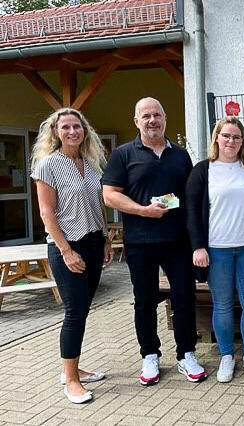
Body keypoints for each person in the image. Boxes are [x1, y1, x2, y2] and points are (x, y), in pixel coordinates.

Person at [102, 97, 207, 386]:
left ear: (165, 118)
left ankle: (186, 353)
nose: (152, 120)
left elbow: (190, 197)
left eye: (157, 115)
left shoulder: (180, 155)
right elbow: (109, 194)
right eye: (146, 115)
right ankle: (149, 354)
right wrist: (143, 210)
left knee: (184, 297)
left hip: (178, 241)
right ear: (136, 121)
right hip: (140, 242)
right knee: (144, 300)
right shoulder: (123, 154)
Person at [31, 108, 113, 404]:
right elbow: (46, 212)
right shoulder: (48, 164)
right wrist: (66, 251)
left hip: (93, 244)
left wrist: (105, 239)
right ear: (55, 132)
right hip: (68, 247)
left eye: (76, 126)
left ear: (84, 130)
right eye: (65, 127)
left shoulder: (90, 165)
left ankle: (73, 367)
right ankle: (70, 379)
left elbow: (99, 205)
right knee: (75, 312)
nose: (72, 132)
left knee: (83, 309)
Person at [185, 117, 244, 383]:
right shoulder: (204, 170)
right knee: (222, 304)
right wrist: (198, 246)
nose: (231, 141)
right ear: (216, 137)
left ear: (242, 141)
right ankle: (226, 355)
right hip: (217, 249)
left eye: (236, 137)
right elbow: (191, 212)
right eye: (226, 136)